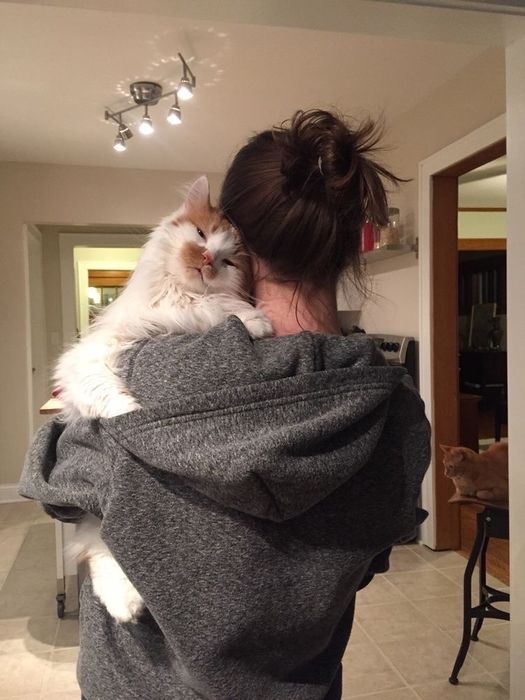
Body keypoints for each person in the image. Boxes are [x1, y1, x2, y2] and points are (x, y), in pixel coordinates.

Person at [20, 109, 430, 700]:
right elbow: (368, 563)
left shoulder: (137, 374)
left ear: (237, 236)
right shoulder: (397, 412)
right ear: (349, 250)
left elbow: (50, 484)